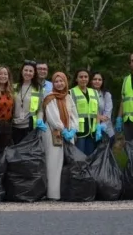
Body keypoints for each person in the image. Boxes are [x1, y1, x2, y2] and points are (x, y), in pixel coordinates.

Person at [39, 72, 79, 200]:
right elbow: (52, 117)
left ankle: (67, 191)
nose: (59, 84)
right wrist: (63, 129)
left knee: (68, 163)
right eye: (56, 81)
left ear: (66, 82)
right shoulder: (50, 97)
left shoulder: (68, 97)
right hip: (53, 133)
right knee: (54, 163)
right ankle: (53, 194)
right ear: (53, 84)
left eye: (61, 81)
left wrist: (73, 129)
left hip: (68, 133)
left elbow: (74, 114)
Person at [12, 60, 43, 144]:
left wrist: (40, 119)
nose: (28, 73)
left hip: (29, 126)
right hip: (13, 125)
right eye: (26, 70)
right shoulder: (13, 87)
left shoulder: (38, 89)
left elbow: (40, 109)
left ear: (34, 74)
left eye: (30, 71)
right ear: (22, 71)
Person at [70, 69, 100, 155]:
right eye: (81, 77)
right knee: (79, 157)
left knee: (90, 156)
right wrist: (72, 130)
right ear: (76, 79)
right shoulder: (71, 92)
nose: (83, 79)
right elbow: (69, 113)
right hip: (79, 131)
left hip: (92, 131)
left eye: (86, 77)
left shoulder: (94, 92)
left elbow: (97, 111)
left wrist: (98, 126)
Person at [91, 72, 114, 141]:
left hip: (105, 131)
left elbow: (107, 114)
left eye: (99, 80)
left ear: (102, 81)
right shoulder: (87, 94)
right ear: (91, 81)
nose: (97, 81)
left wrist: (101, 127)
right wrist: (98, 116)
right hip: (90, 130)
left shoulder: (106, 95)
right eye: (95, 79)